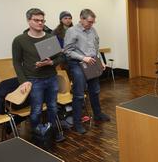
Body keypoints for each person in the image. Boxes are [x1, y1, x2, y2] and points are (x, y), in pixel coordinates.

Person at [12, 8, 65, 142]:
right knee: (36, 110)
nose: (40, 23)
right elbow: (17, 62)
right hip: (34, 80)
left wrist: (51, 62)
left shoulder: (50, 37)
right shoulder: (20, 40)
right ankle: (37, 135)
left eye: (42, 20)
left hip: (51, 78)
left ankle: (52, 131)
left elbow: (60, 57)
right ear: (28, 21)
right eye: (36, 20)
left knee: (53, 107)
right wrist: (23, 81)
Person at [64, 9, 110, 134]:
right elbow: (67, 51)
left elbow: (95, 48)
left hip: (92, 63)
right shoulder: (71, 31)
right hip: (78, 64)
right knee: (79, 95)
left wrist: (100, 61)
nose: (91, 24)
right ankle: (77, 123)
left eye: (93, 22)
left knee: (95, 91)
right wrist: (83, 58)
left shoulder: (92, 30)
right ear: (82, 19)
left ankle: (98, 114)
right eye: (89, 22)